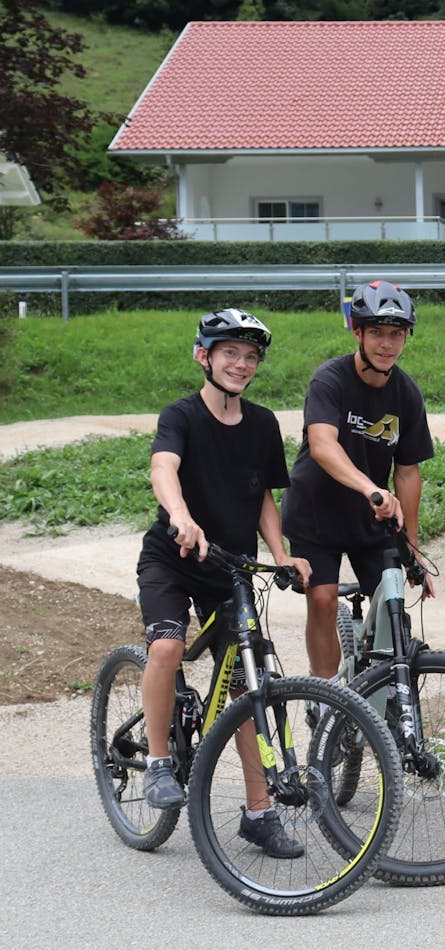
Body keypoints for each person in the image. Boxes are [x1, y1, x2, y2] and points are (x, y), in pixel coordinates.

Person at [136, 308, 312, 857]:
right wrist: (181, 516)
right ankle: (159, 760)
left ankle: (259, 813)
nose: (241, 363)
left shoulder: (261, 424)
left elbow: (263, 497)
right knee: (166, 645)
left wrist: (283, 554)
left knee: (245, 683)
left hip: (230, 567)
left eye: (250, 355)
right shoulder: (181, 415)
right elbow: (163, 467)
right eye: (229, 352)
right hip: (174, 556)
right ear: (203, 357)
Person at [282, 280, 435, 682]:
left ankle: (379, 690)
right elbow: (322, 444)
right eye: (377, 333)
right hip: (316, 513)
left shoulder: (406, 393)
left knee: (392, 608)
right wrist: (370, 488)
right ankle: (326, 692)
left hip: (371, 520)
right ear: (357, 332)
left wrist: (412, 547)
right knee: (323, 600)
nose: (387, 344)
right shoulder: (329, 379)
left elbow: (407, 470)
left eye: (396, 334)